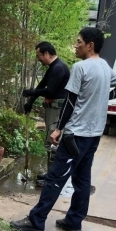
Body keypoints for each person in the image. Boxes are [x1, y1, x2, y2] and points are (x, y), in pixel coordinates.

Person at [11, 27, 116, 231]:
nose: (75, 46)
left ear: (90, 45)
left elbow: (69, 103)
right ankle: (74, 221)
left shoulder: (81, 67)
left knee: (55, 177)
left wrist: (58, 129)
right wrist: (101, 98)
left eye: (79, 42)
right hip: (94, 135)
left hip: (76, 134)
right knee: (82, 179)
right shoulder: (105, 67)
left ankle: (36, 221)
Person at [23, 42, 70, 174]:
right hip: (51, 111)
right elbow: (41, 86)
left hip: (57, 111)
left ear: (47, 53)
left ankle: (54, 176)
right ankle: (51, 174)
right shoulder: (52, 68)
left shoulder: (59, 67)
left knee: (53, 143)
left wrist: (31, 92)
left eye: (39, 56)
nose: (38, 59)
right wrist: (30, 102)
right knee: (49, 142)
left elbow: (50, 91)